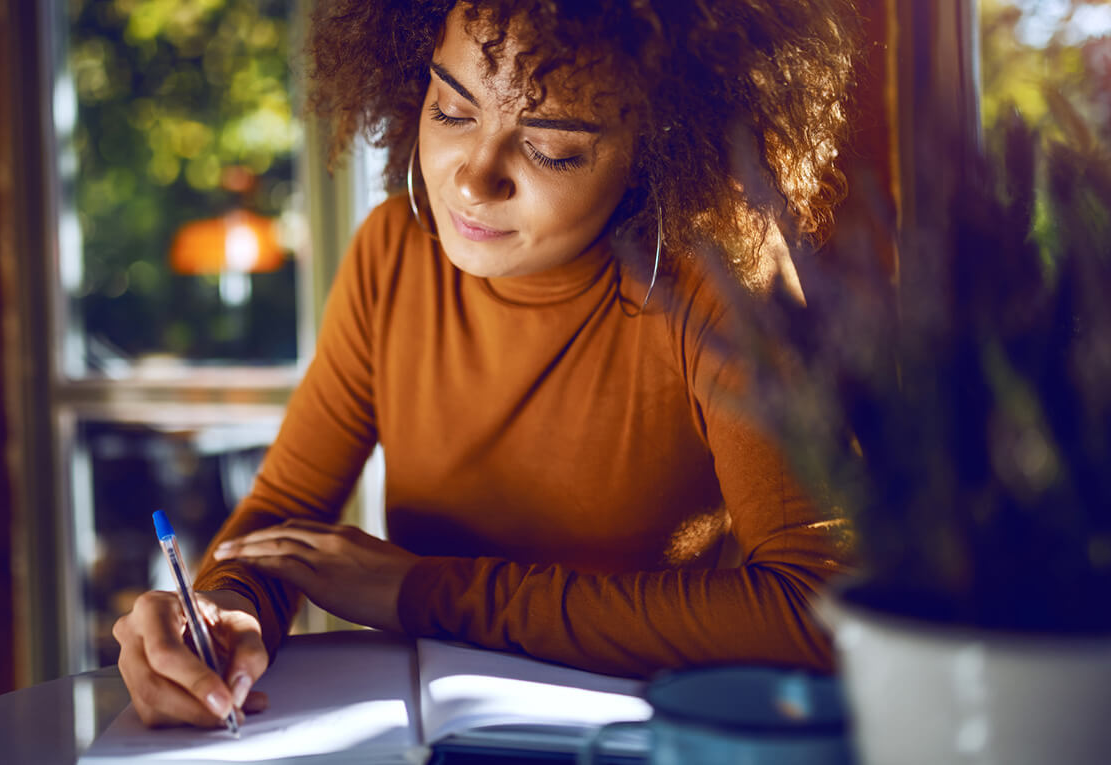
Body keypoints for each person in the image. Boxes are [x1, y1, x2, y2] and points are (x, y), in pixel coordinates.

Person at [114, 0, 857, 729]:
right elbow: (284, 520)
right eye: (452, 109)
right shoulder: (392, 253)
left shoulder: (723, 280)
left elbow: (824, 605)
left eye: (552, 147)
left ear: (661, 143)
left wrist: (428, 591)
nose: (474, 179)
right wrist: (218, 613)